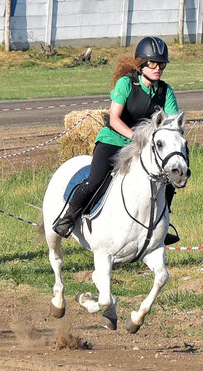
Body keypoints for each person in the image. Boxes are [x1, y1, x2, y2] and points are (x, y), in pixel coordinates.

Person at [52, 36, 181, 244]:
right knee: (95, 179)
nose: (158, 68)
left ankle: (160, 225)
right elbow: (114, 119)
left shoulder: (166, 91)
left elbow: (173, 123)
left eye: (162, 64)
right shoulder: (126, 84)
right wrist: (136, 137)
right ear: (142, 64)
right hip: (114, 139)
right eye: (153, 63)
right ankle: (68, 217)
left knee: (167, 181)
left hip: (143, 147)